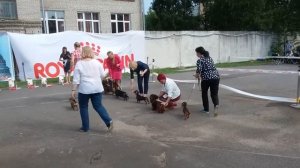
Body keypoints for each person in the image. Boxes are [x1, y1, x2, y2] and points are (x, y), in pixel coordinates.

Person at [71, 46, 113, 132]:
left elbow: (76, 80)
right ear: (91, 52)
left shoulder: (79, 64)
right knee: (98, 106)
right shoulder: (97, 62)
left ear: (82, 53)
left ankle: (85, 127)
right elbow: (102, 75)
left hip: (84, 90)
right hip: (97, 88)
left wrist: (73, 90)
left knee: (83, 107)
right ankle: (108, 121)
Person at [195, 46, 220, 117]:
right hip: (216, 77)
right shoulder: (210, 58)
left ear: (199, 53)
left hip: (206, 78)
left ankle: (206, 109)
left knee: (204, 93)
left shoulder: (200, 60)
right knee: (214, 94)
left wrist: (196, 75)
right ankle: (216, 105)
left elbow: (198, 70)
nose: (196, 55)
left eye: (196, 53)